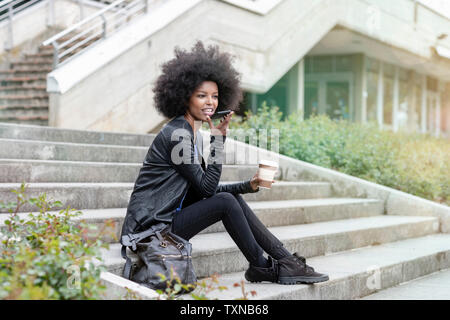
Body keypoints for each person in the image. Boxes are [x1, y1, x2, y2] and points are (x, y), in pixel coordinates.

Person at [120, 41, 329, 285]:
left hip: (163, 222)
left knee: (233, 199)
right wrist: (218, 141)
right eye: (201, 96)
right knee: (226, 202)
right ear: (184, 96)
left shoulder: (187, 132)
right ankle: (264, 266)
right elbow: (208, 191)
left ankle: (281, 262)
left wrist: (246, 186)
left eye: (215, 96)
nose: (210, 102)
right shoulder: (177, 136)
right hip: (149, 231)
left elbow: (201, 190)